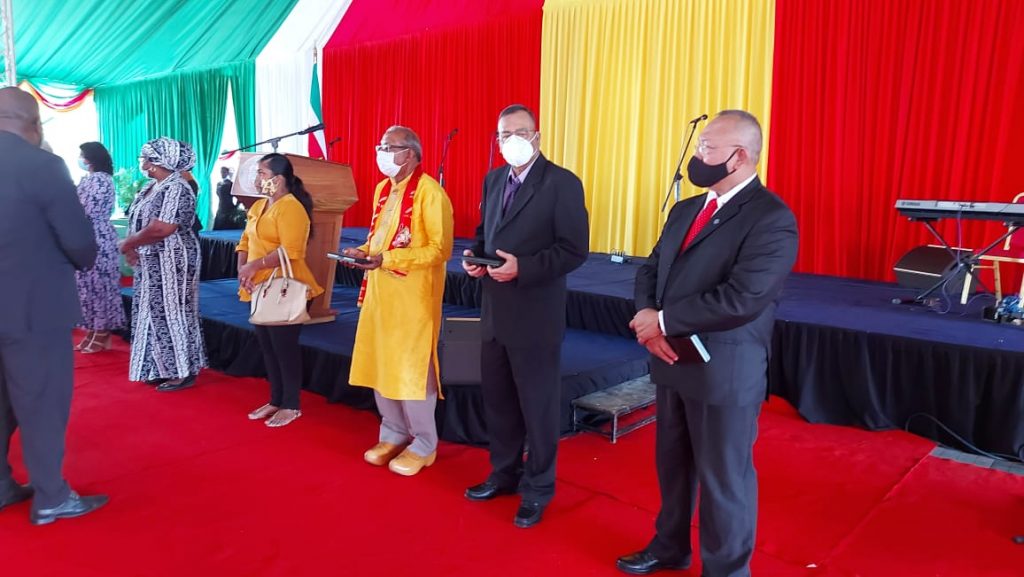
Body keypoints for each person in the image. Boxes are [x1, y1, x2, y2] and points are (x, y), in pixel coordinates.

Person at [616, 110, 798, 577]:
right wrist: (649, 319)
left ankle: (727, 570)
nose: (697, 156)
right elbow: (651, 269)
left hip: (723, 371)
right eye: (700, 146)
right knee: (673, 465)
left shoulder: (771, 218)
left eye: (708, 148)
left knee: (724, 480)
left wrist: (662, 320)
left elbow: (744, 297)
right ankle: (670, 546)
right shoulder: (687, 210)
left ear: (739, 157)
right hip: (672, 359)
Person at [461, 105, 589, 527]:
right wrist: (476, 257)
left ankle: (538, 488)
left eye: (519, 132)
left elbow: (574, 250)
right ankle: (504, 473)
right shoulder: (494, 179)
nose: (510, 140)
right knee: (498, 401)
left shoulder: (562, 183)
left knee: (538, 407)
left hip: (535, 314)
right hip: (494, 311)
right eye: (503, 134)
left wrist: (525, 267)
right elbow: (486, 233)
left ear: (536, 136)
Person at [0, 86, 109, 525]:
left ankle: (2, 485)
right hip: (34, 308)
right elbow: (81, 244)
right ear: (33, 124)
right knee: (41, 402)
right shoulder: (42, 165)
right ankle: (51, 497)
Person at [344, 126, 454, 476]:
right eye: (381, 145)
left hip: (412, 300)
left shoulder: (430, 193)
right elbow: (380, 239)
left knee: (412, 370)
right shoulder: (383, 189)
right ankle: (392, 433)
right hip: (380, 294)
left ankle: (424, 443)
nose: (382, 153)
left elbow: (439, 250)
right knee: (381, 364)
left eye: (389, 147)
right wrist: (362, 252)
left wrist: (387, 259)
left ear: (411, 153)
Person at [237, 153, 324, 428]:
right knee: (268, 347)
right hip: (258, 285)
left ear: (279, 179)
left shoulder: (291, 208)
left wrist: (253, 266)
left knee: (284, 348)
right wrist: (243, 270)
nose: (257, 179)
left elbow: (291, 251)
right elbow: (244, 241)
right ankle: (276, 399)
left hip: (285, 286)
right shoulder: (259, 205)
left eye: (262, 173)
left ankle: (291, 405)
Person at [120, 137, 207, 392]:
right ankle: (160, 367)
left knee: (172, 311)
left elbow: (162, 228)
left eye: (146, 157)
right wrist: (133, 246)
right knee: (152, 312)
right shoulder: (152, 186)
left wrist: (128, 243)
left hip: (172, 259)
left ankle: (182, 371)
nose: (142, 161)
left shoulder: (177, 187)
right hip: (151, 258)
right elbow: (139, 220)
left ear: (159, 161)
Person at [73, 141, 126, 353]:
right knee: (87, 285)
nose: (80, 159)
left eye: (82, 155)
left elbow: (86, 209)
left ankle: (102, 331)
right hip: (88, 234)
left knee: (98, 284)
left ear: (91, 158)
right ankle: (93, 330)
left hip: (96, 235)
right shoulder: (92, 179)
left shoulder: (99, 179)